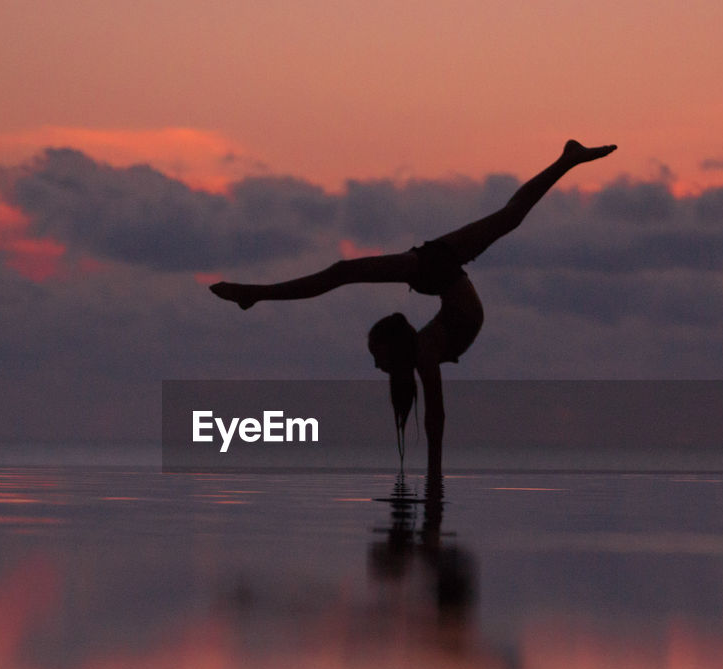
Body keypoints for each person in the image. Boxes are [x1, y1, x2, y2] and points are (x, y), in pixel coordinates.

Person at [211, 139, 617, 476]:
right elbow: (436, 416)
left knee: (342, 271)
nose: (375, 365)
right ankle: (568, 158)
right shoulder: (424, 352)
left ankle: (256, 293)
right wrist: (433, 479)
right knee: (508, 217)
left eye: (377, 356)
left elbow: (436, 420)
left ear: (395, 346)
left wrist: (435, 479)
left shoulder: (424, 352)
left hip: (433, 270)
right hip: (441, 274)